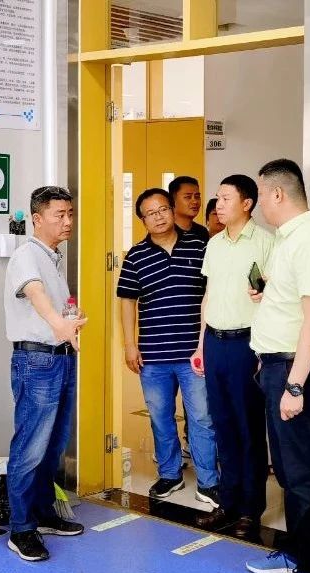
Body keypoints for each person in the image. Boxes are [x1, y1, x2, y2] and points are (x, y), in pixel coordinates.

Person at [243, 159, 310, 573]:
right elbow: (293, 305)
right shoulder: (287, 241)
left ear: (278, 194)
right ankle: (296, 553)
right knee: (285, 469)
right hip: (277, 367)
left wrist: (295, 386)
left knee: (305, 474)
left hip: (299, 372)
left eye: (261, 194)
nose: (259, 203)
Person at [117, 188, 219, 506]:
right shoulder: (136, 256)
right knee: (161, 418)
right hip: (153, 355)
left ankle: (209, 481)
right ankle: (170, 475)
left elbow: (212, 293)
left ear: (172, 210)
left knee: (201, 418)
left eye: (163, 209)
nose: (159, 217)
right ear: (142, 220)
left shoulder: (200, 246)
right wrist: (130, 345)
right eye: (151, 213)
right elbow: (127, 301)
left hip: (194, 354)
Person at [1, 186, 87, 562]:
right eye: (59, 215)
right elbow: (35, 293)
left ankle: (43, 513)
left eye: (70, 214)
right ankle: (21, 529)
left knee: (53, 446)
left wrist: (69, 320)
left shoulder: (53, 258)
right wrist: (59, 323)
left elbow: (52, 304)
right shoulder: (26, 255)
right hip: (36, 362)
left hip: (61, 359)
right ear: (37, 219)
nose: (68, 221)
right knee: (30, 447)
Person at [192, 175, 274, 539]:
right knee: (222, 424)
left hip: (247, 345)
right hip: (215, 342)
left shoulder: (266, 243)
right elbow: (208, 296)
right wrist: (200, 345)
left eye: (226, 198)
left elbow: (272, 300)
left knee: (248, 427)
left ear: (247, 203)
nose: (218, 204)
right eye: (218, 198)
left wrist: (264, 349)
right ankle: (228, 503)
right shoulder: (214, 244)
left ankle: (251, 510)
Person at [168, 176, 211, 243]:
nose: (195, 201)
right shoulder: (165, 231)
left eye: (197, 197)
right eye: (188, 197)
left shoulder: (202, 232)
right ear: (172, 200)